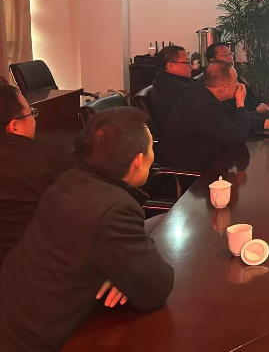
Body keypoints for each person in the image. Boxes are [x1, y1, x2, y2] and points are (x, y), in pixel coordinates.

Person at [0, 107, 174, 351]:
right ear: (137, 161)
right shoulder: (114, 209)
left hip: (13, 315)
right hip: (39, 339)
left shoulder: (70, 180)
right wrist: (127, 272)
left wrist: (121, 269)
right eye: (150, 147)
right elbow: (156, 288)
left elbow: (90, 248)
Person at [159, 61, 269, 171]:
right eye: (235, 82)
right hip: (192, 170)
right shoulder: (201, 105)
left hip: (212, 155)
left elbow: (234, 117)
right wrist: (240, 103)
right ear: (224, 89)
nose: (239, 85)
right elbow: (238, 135)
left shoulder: (204, 93)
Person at [0, 85, 74, 266]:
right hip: (41, 268)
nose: (34, 120)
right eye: (31, 114)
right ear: (14, 126)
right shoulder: (52, 157)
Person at [205, 42, 269, 113]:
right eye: (225, 55)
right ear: (212, 60)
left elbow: (251, 95)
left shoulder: (233, 75)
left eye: (230, 54)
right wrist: (256, 111)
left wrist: (262, 105)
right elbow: (232, 115)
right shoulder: (214, 83)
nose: (230, 57)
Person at [150, 44, 200, 127]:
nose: (191, 66)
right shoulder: (175, 88)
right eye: (187, 63)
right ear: (170, 66)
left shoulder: (163, 79)